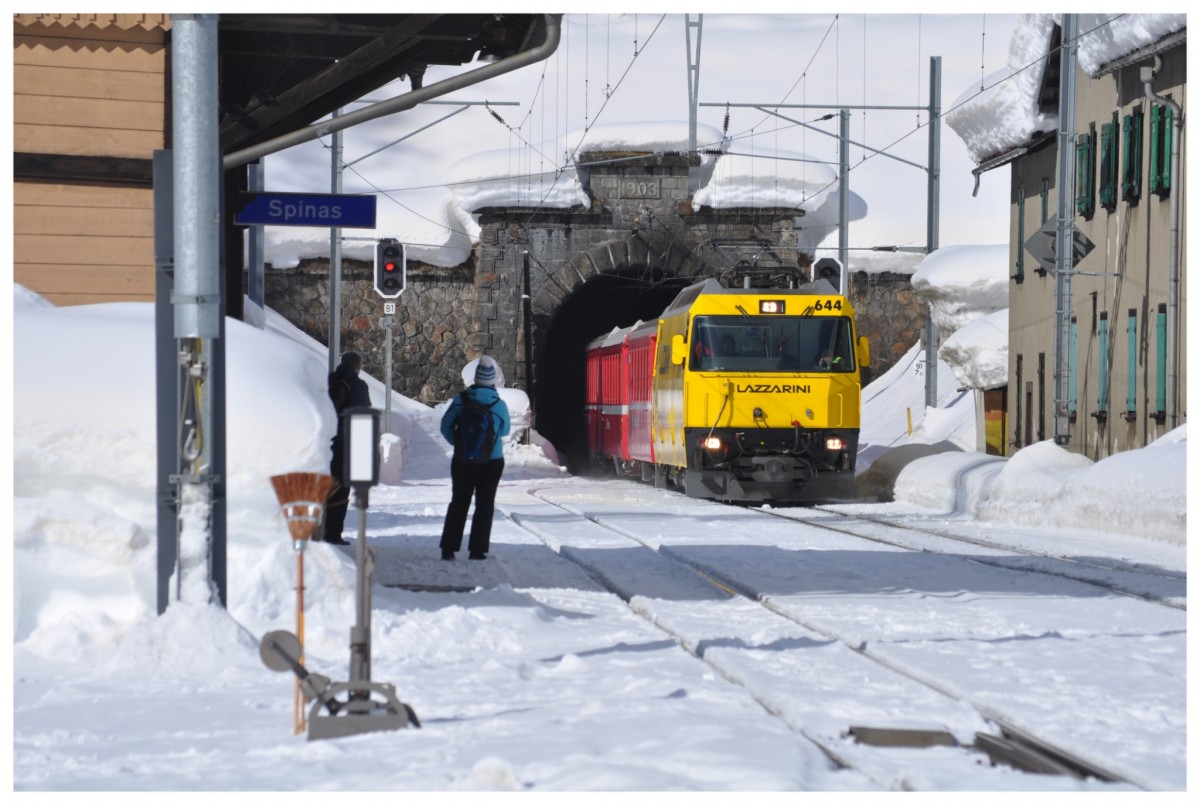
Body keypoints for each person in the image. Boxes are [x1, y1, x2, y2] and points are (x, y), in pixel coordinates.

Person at [438, 356, 511, 560]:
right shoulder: (499, 404)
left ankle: (449, 548)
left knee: (459, 502)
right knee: (485, 504)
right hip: (492, 461)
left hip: (462, 461)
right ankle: (477, 550)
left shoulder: (462, 399)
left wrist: (460, 444)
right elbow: (505, 431)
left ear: (476, 379)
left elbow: (445, 426)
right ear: (492, 381)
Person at [322, 351, 370, 545]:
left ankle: (318, 530)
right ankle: (333, 534)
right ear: (358, 368)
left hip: (326, 441)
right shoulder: (359, 386)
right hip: (346, 443)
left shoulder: (328, 380)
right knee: (341, 489)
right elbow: (364, 414)